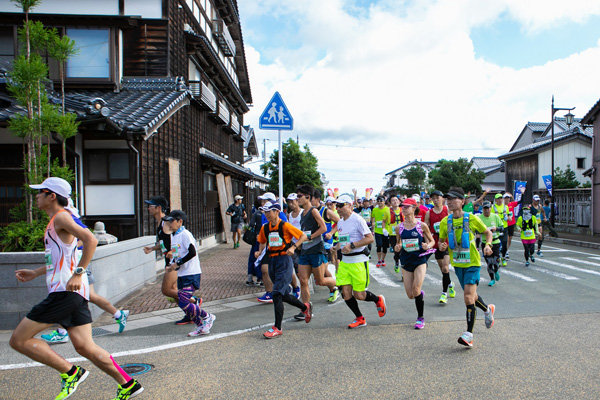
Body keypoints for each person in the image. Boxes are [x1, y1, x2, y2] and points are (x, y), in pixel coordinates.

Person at [10, 177, 143, 400]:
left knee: (19, 340)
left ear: (52, 196)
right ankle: (128, 384)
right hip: (74, 293)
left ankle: (71, 373)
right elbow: (62, 259)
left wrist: (79, 273)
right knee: (85, 347)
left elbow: (90, 240)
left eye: (40, 192)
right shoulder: (58, 220)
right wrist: (36, 273)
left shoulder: (61, 217)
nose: (37, 196)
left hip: (64, 293)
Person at [42, 201, 130, 343]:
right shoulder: (63, 218)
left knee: (72, 296)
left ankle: (62, 331)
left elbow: (89, 238)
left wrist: (74, 251)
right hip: (75, 267)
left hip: (77, 267)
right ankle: (118, 314)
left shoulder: (67, 218)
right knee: (86, 296)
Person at [438, 186, 496, 347]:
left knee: (468, 297)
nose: (449, 202)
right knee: (472, 296)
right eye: (447, 199)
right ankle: (487, 310)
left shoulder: (471, 218)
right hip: (458, 264)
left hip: (472, 264)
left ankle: (468, 335)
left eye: (453, 199)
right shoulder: (445, 221)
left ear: (462, 201)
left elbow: (488, 233)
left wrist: (488, 245)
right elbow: (441, 242)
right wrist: (441, 246)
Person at [255, 201, 312, 338]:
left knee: (276, 294)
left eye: (269, 211)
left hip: (284, 260)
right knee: (283, 294)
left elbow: (303, 236)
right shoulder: (265, 228)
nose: (267, 214)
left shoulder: (285, 225)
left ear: (277, 212)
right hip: (272, 261)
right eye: (265, 212)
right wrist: (259, 251)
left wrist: (293, 247)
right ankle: (305, 308)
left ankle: (277, 327)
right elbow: (262, 240)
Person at [334, 195, 386, 328]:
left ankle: (377, 299)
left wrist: (352, 245)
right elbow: (343, 239)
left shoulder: (358, 220)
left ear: (350, 205)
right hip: (345, 262)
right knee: (345, 293)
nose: (338, 208)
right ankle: (360, 318)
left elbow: (369, 239)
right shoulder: (340, 222)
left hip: (358, 261)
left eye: (341, 206)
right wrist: (337, 246)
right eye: (337, 206)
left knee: (359, 295)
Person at [143, 195, 196, 325]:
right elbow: (165, 243)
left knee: (167, 290)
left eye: (150, 205)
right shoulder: (161, 223)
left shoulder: (166, 222)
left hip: (173, 262)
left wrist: (174, 256)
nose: (148, 208)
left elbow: (175, 242)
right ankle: (189, 314)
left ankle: (193, 300)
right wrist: (153, 248)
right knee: (172, 290)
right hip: (170, 259)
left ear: (159, 208)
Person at [162, 210, 216, 337]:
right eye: (168, 221)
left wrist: (178, 263)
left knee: (184, 302)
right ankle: (200, 326)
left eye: (172, 221)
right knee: (183, 302)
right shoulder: (174, 236)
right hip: (182, 273)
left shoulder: (185, 234)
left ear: (180, 221)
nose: (169, 224)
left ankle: (208, 317)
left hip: (192, 273)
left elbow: (192, 252)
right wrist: (171, 265)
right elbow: (176, 254)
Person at [394, 197, 436, 329]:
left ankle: (420, 318)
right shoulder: (399, 228)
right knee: (411, 295)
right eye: (403, 207)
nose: (404, 209)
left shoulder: (421, 225)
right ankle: (419, 295)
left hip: (419, 260)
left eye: (406, 206)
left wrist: (427, 246)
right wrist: (397, 247)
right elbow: (398, 243)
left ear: (413, 208)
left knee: (416, 289)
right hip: (406, 261)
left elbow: (432, 241)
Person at [296, 184, 339, 312]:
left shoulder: (314, 211)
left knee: (320, 281)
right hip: (305, 251)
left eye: (299, 196)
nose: (297, 199)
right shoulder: (302, 213)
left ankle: (338, 284)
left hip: (316, 250)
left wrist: (310, 237)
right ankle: (305, 308)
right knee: (303, 280)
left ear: (308, 197)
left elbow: (324, 228)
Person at [255, 192, 288, 303]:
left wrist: (293, 247)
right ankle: (270, 293)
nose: (263, 202)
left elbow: (291, 232)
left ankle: (292, 288)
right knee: (264, 269)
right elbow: (263, 234)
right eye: (262, 200)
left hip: (282, 250)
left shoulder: (281, 216)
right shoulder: (264, 216)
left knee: (288, 273)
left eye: (265, 200)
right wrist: (260, 250)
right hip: (269, 249)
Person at [424, 190, 455, 304]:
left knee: (446, 268)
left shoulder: (447, 210)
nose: (436, 200)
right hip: (436, 242)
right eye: (433, 198)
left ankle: (444, 294)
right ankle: (450, 283)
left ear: (442, 198)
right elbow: (425, 229)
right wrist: (428, 243)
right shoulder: (429, 213)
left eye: (438, 197)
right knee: (443, 269)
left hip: (446, 241)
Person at [478, 201, 504, 286]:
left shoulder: (495, 217)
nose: (487, 210)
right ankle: (492, 279)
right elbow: (475, 230)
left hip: (495, 242)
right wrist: (482, 231)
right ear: (483, 209)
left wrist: (496, 228)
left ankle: (496, 270)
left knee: (496, 262)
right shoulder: (479, 218)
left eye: (488, 208)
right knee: (489, 262)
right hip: (485, 243)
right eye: (485, 208)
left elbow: (502, 228)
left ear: (490, 208)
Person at [286, 193, 303, 299]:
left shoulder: (303, 213)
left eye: (293, 201)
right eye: (289, 202)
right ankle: (296, 288)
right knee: (291, 267)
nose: (291, 204)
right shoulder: (289, 215)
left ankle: (332, 287)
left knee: (302, 270)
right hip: (293, 245)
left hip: (304, 244)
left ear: (297, 201)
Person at [246, 197, 264, 286]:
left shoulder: (256, 213)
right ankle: (260, 279)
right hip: (264, 239)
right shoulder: (266, 214)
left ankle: (250, 278)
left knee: (253, 257)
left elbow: (251, 224)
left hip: (256, 239)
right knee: (261, 258)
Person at [371, 195, 391, 267]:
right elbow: (373, 217)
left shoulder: (387, 209)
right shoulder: (375, 209)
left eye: (381, 201)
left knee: (385, 246)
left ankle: (383, 259)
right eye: (378, 201)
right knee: (379, 245)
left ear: (384, 202)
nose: (379, 202)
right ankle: (379, 260)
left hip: (386, 230)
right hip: (377, 230)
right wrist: (373, 222)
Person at [491, 193, 510, 267]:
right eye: (498, 198)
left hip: (504, 227)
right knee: (497, 244)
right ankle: (497, 258)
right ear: (495, 200)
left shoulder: (505, 207)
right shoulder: (493, 207)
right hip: (496, 228)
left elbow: (508, 215)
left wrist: (509, 217)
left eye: (501, 198)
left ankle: (503, 257)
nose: (500, 200)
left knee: (504, 243)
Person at [387, 195, 404, 275]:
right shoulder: (387, 211)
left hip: (403, 233)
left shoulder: (403, 210)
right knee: (396, 252)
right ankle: (396, 262)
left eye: (396, 200)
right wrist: (385, 229)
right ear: (390, 203)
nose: (395, 202)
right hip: (393, 234)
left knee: (403, 252)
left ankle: (404, 273)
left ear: (399, 201)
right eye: (393, 200)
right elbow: (384, 221)